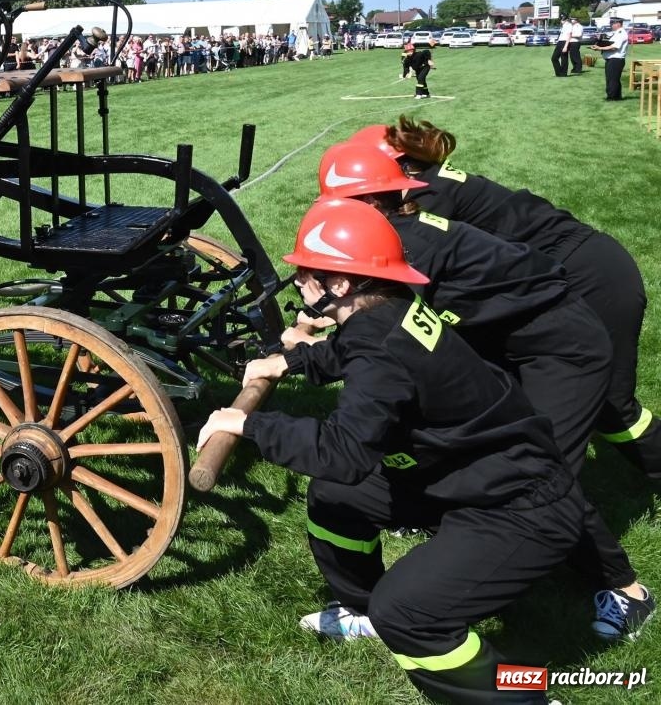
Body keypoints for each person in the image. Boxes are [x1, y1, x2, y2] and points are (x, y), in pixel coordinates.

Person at [202, 198, 585, 704]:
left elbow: (343, 453)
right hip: (468, 472)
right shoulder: (391, 308)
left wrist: (249, 424)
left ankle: (522, 697)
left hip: (519, 505)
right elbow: (360, 346)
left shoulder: (379, 345)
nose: (300, 281)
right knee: (335, 497)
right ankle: (363, 611)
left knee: (408, 614)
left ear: (340, 284)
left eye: (307, 273)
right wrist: (293, 364)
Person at [316, 142, 653, 641]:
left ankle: (626, 591)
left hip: (562, 351)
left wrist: (319, 338)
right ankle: (435, 523)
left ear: (367, 203)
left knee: (539, 473)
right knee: (479, 451)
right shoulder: (394, 233)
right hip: (507, 345)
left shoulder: (409, 244)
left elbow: (385, 329)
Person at [351, 117, 661, 477]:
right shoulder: (429, 185)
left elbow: (403, 278)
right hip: (556, 277)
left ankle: (551, 490)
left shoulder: (427, 198)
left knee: (609, 405)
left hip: (592, 277)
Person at [593, 18, 628, 101]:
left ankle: (612, 97)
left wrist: (599, 48)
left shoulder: (621, 33)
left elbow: (614, 47)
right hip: (612, 59)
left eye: (612, 23)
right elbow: (609, 42)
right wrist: (599, 41)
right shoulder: (617, 33)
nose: (611, 25)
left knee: (612, 79)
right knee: (613, 79)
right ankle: (617, 97)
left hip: (615, 59)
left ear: (618, 24)